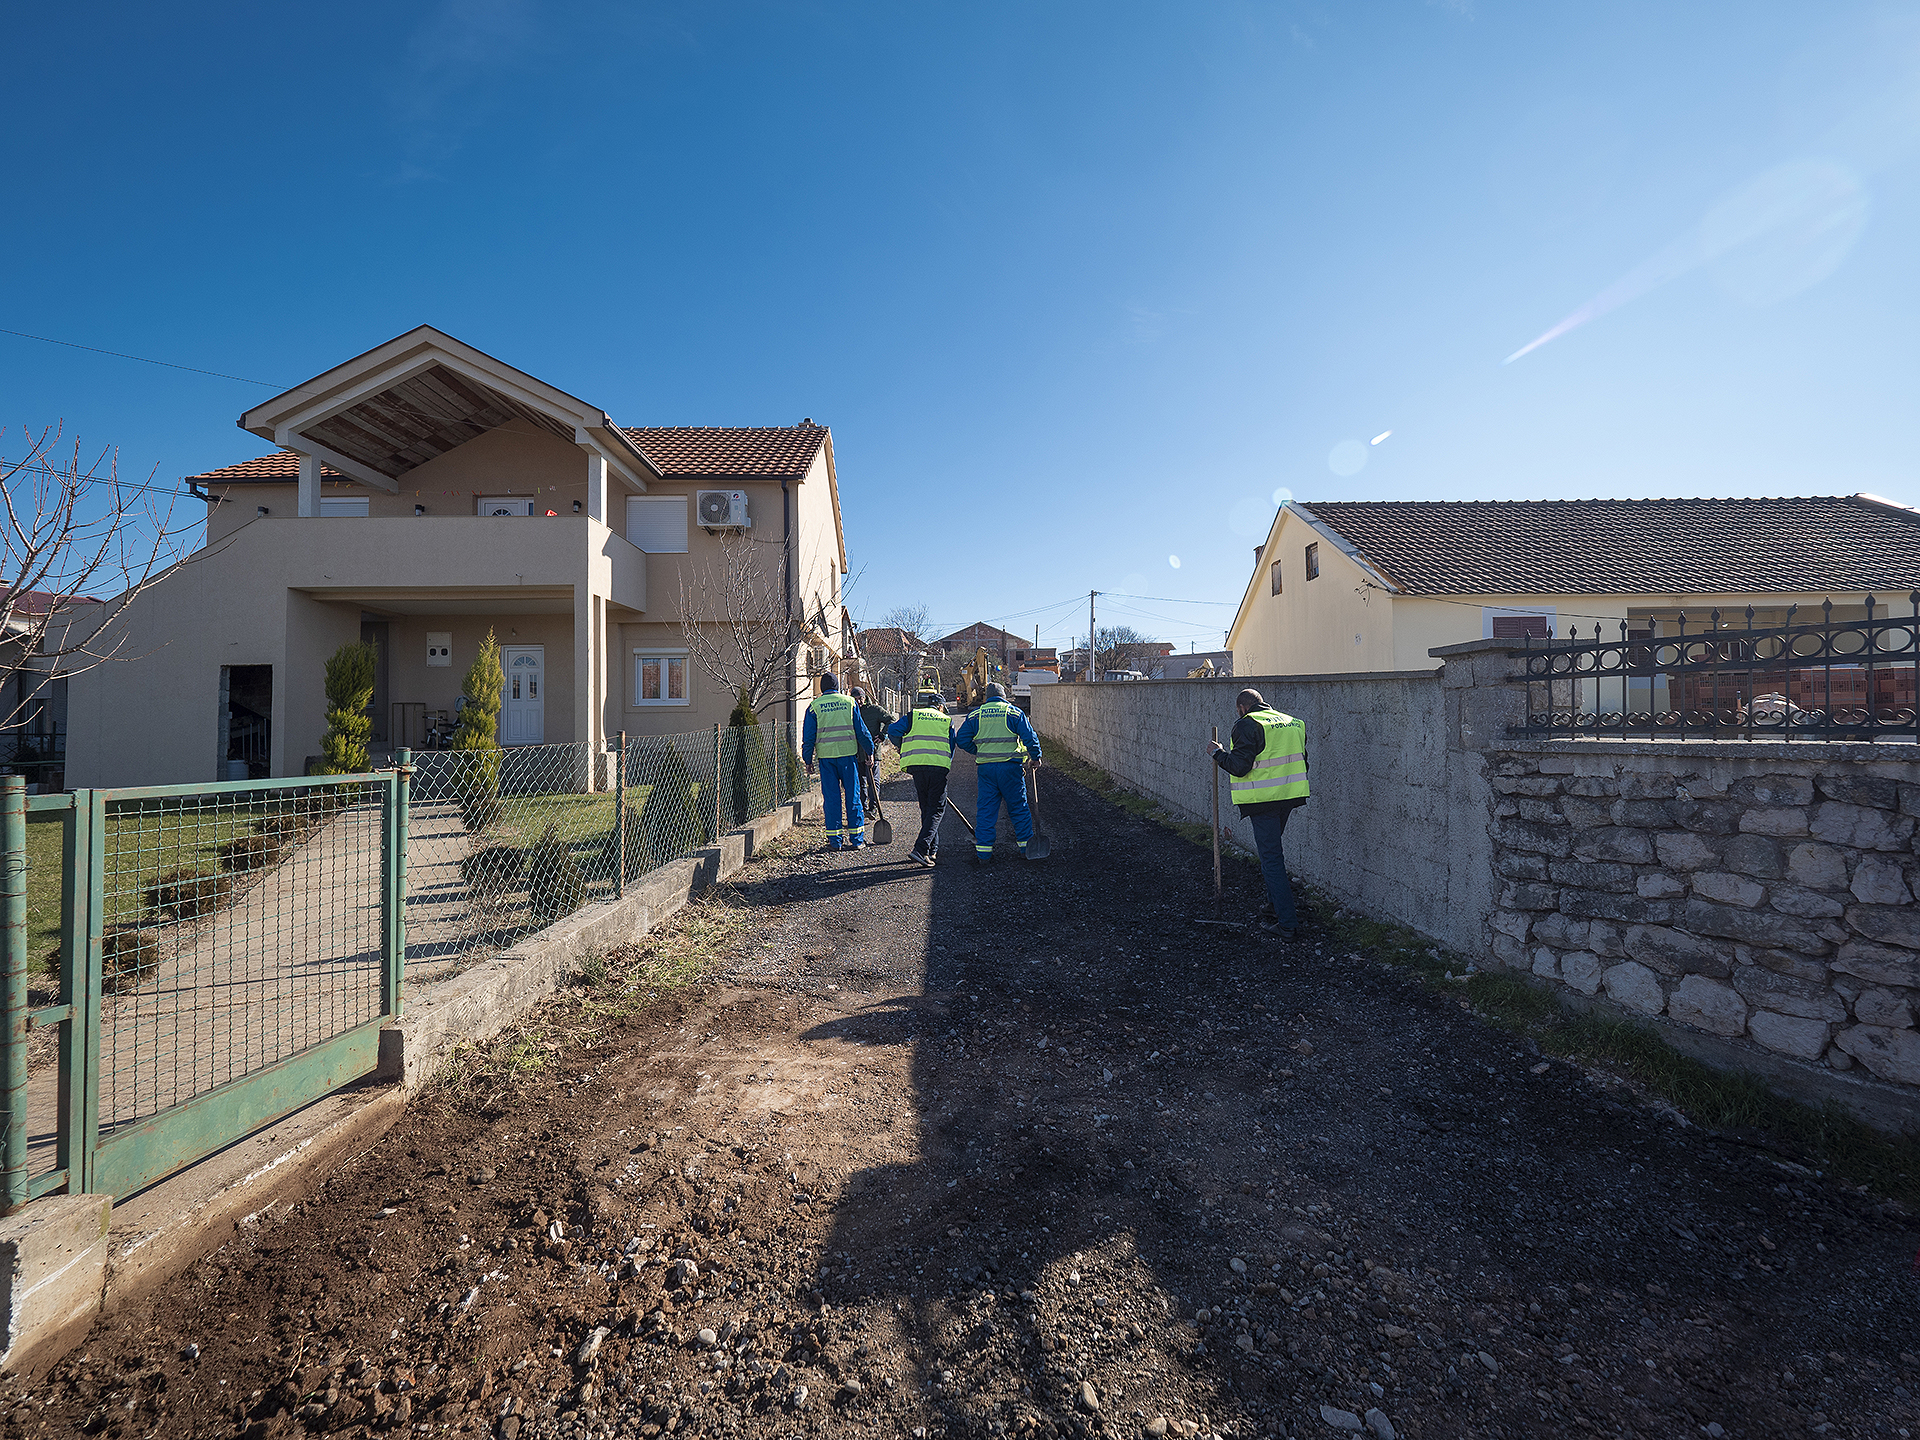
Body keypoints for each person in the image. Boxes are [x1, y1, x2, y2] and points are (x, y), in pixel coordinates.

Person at [1207, 687, 1309, 937]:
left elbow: (1239, 767)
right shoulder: (1292, 722)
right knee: (1270, 855)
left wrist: (1217, 753)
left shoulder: (1246, 725)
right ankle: (1273, 907)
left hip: (1264, 802)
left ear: (1242, 708)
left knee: (1272, 859)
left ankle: (1287, 924)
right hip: (1289, 796)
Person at [951, 682, 1042, 864]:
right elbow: (1029, 736)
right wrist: (1035, 756)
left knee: (986, 810)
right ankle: (1026, 849)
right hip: (1011, 769)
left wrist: (978, 751)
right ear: (1003, 696)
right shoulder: (1014, 713)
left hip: (986, 769)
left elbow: (961, 739)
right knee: (1018, 808)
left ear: (987, 697)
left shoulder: (976, 714)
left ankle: (984, 854)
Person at [802, 674, 875, 851]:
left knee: (832, 799)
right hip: (848, 757)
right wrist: (870, 751)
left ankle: (835, 842)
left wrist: (808, 759)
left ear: (821, 687)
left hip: (826, 759)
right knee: (853, 797)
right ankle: (857, 840)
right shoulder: (849, 703)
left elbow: (809, 736)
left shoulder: (814, 707)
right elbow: (862, 731)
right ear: (837, 685)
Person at [887, 690, 956, 867]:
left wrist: (902, 746)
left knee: (926, 808)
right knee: (937, 809)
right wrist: (946, 763)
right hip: (938, 768)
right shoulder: (946, 720)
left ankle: (932, 850)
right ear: (941, 706)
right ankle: (921, 849)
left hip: (917, 768)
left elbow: (892, 730)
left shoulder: (914, 716)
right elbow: (951, 747)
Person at [851, 686, 893, 813]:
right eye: (856, 699)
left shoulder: (874, 710)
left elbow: (891, 720)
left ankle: (873, 808)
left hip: (873, 751)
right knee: (860, 782)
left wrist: (882, 735)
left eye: (861, 698)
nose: (859, 701)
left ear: (865, 697)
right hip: (857, 753)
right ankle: (863, 809)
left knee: (873, 782)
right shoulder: (851, 711)